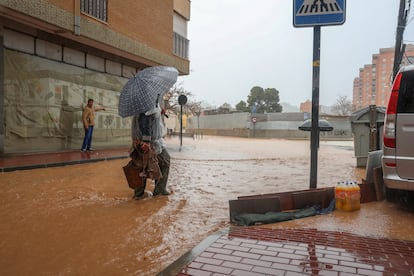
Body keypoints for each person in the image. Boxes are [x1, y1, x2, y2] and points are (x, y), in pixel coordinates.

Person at [131, 104, 171, 198]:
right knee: (165, 161)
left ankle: (139, 194)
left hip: (140, 140)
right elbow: (145, 120)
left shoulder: (140, 103)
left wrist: (159, 112)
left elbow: (149, 119)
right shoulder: (148, 104)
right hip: (151, 141)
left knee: (141, 165)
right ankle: (159, 190)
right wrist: (146, 141)